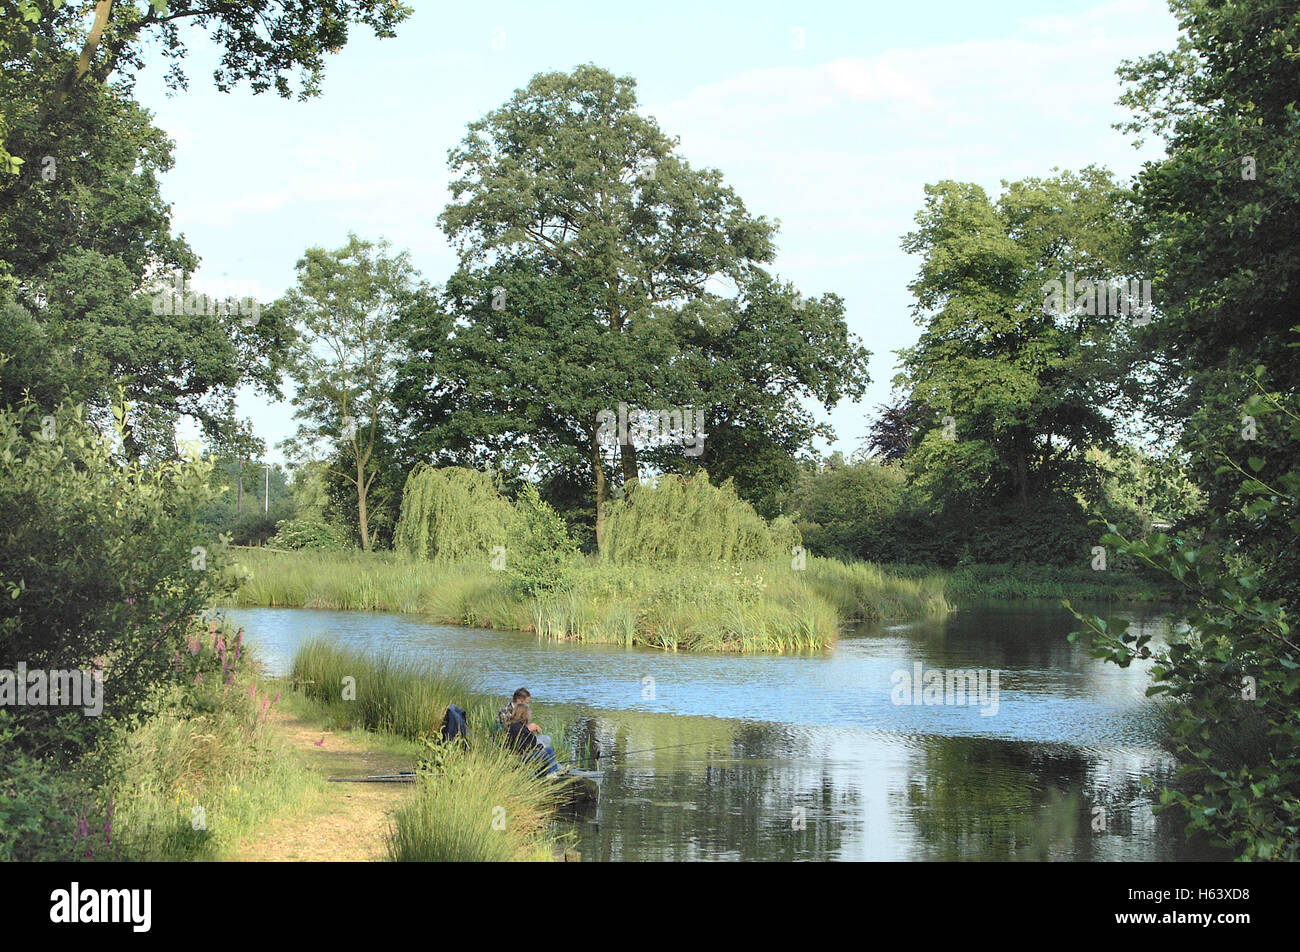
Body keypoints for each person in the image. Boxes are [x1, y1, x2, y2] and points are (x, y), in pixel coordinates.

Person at [505, 703, 559, 776]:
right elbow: (526, 746)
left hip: (517, 755)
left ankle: (547, 772)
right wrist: (541, 747)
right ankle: (552, 773)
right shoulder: (519, 728)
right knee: (549, 750)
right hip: (521, 757)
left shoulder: (515, 725)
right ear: (524, 714)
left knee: (545, 750)